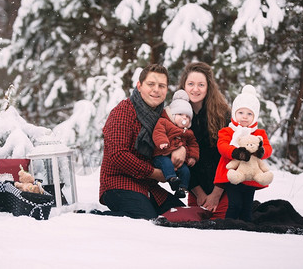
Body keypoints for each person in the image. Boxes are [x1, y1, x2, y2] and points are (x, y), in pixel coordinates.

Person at [99, 64, 185, 220]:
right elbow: (118, 155)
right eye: (151, 84)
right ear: (139, 86)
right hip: (118, 183)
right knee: (144, 220)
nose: (156, 90)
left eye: (161, 86)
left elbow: (174, 139)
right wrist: (153, 173)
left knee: (181, 215)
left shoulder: (163, 116)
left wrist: (180, 148)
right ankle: (92, 218)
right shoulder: (123, 112)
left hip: (147, 185)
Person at [173, 61, 231, 219]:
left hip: (223, 186)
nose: (195, 89)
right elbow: (180, 161)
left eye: (201, 84)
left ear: (208, 87)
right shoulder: (176, 116)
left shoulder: (222, 114)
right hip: (196, 187)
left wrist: (216, 194)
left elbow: (228, 157)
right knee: (196, 225)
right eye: (190, 84)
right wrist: (199, 194)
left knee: (223, 223)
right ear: (184, 86)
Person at [214, 85, 273, 222]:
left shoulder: (259, 134)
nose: (244, 117)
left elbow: (268, 148)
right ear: (234, 113)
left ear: (255, 116)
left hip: (251, 176)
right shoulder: (228, 131)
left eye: (249, 114)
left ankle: (246, 229)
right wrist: (235, 152)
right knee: (234, 204)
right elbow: (222, 146)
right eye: (241, 113)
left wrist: (261, 151)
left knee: (247, 207)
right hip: (232, 174)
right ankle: (229, 225)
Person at [152, 89, 199, 199]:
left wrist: (193, 156)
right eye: (180, 114)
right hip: (162, 154)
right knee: (166, 164)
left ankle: (182, 188)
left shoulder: (188, 132)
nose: (184, 118)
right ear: (172, 114)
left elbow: (193, 145)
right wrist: (162, 142)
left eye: (187, 116)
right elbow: (158, 132)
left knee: (186, 171)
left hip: (179, 161)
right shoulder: (164, 122)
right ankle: (172, 179)